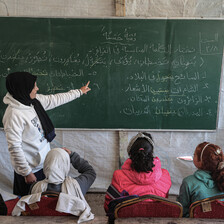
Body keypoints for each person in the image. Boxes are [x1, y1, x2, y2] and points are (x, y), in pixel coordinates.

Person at [2, 71, 91, 196]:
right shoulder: (13, 114)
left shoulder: (33, 101)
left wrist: (79, 92)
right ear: (24, 88)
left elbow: (55, 99)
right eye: (34, 86)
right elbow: (14, 147)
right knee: (28, 205)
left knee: (44, 202)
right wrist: (27, 173)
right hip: (30, 170)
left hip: (44, 164)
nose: (37, 88)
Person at [12, 147, 96, 223]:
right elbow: (90, 172)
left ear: (46, 165)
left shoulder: (35, 187)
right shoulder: (77, 185)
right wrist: (72, 156)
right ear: (66, 164)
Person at [104, 132, 172, 213]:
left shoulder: (118, 176)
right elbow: (164, 201)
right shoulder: (165, 175)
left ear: (130, 154)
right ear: (151, 153)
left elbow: (108, 206)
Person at [177, 142, 224, 217]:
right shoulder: (222, 180)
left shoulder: (188, 182)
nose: (193, 156)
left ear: (200, 161)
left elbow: (181, 211)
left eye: (194, 155)